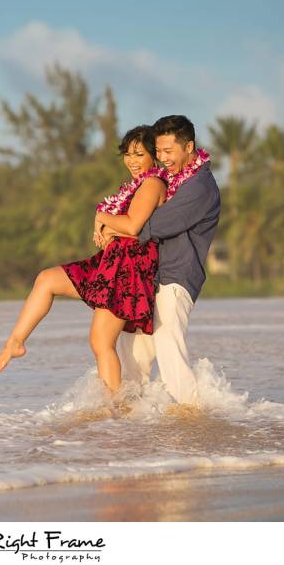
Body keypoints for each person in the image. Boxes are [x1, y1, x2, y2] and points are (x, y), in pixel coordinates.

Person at [0, 125, 165, 394]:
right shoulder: (137, 185)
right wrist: (108, 229)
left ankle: (113, 408)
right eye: (127, 154)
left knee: (100, 342)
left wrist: (101, 219)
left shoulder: (152, 183)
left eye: (139, 154)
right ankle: (15, 342)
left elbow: (132, 226)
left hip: (128, 269)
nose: (131, 160)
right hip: (112, 261)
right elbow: (129, 227)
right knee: (47, 279)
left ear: (153, 156)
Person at [103, 115, 220, 406]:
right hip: (149, 275)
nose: (163, 158)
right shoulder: (168, 179)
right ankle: (126, 414)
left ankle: (189, 414)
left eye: (169, 151)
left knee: (168, 340)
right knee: (133, 349)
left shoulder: (200, 185)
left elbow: (160, 223)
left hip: (177, 276)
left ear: (189, 146)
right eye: (159, 152)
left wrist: (114, 225)